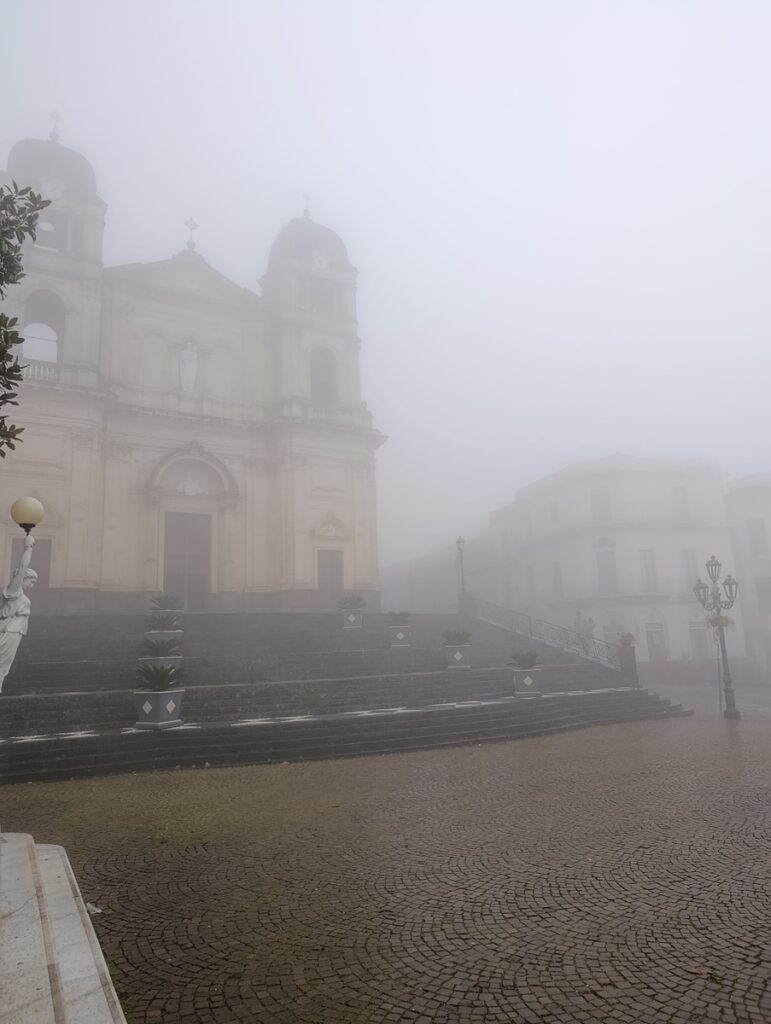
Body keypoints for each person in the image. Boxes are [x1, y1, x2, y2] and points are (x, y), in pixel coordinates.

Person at [0, 534, 37, 694]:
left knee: (4, 666)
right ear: (23, 578)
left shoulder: (20, 593)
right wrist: (28, 547)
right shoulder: (14, 589)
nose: (33, 585)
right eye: (32, 581)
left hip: (16, 631)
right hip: (9, 630)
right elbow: (22, 567)